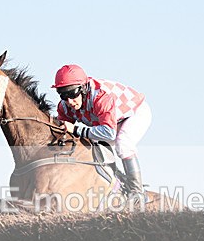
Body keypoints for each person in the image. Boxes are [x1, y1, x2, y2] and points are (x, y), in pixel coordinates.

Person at [51, 64, 152, 197]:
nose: (69, 101)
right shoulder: (65, 106)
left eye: (72, 93)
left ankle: (137, 193)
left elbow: (109, 134)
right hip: (108, 122)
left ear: (83, 88)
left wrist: (75, 128)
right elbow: (63, 133)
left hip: (133, 113)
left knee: (123, 144)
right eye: (63, 95)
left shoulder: (101, 97)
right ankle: (119, 183)